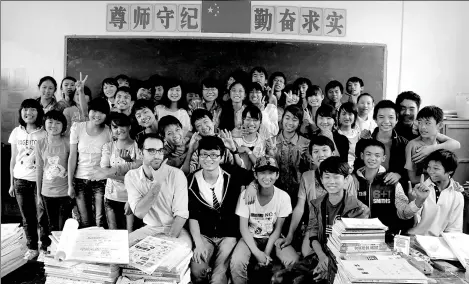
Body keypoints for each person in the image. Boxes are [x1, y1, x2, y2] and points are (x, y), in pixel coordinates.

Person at [188, 136, 254, 284]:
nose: (208, 159)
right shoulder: (191, 180)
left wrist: (252, 186)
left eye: (214, 155)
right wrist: (198, 242)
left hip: (229, 235)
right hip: (204, 235)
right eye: (204, 154)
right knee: (197, 271)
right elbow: (192, 215)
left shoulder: (232, 173)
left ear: (221, 156)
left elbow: (255, 176)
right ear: (198, 155)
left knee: (218, 278)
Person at [282, 136, 361, 257]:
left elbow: (352, 209)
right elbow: (299, 208)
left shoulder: (347, 178)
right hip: (315, 226)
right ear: (311, 156)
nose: (321, 155)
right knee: (307, 252)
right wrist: (290, 234)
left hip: (338, 227)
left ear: (333, 153)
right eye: (316, 151)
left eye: (325, 150)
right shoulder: (307, 177)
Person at [230, 156, 299, 284]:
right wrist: (257, 253)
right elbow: (243, 228)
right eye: (262, 172)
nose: (267, 177)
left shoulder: (283, 197)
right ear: (255, 175)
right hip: (250, 237)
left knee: (293, 260)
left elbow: (278, 229)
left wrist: (266, 253)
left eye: (271, 173)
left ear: (277, 175)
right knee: (237, 262)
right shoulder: (247, 195)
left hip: (272, 237)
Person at [307, 156, 369, 281]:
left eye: (336, 177)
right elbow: (313, 234)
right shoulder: (315, 204)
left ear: (346, 180)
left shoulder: (359, 209)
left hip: (345, 261)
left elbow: (353, 246)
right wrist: (322, 257)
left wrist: (330, 267)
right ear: (321, 180)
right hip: (320, 256)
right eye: (327, 177)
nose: (331, 181)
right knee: (282, 278)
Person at [125, 133, 192, 248]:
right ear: (141, 153)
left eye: (160, 150)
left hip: (176, 230)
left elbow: (181, 216)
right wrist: (157, 183)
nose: (157, 156)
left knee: (175, 254)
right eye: (151, 151)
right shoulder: (132, 176)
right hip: (150, 228)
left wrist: (166, 242)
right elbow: (139, 213)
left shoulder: (176, 174)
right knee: (120, 251)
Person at [352, 139, 414, 241]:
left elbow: (404, 213)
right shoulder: (352, 181)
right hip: (358, 236)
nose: (372, 158)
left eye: (377, 155)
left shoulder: (392, 182)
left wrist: (416, 202)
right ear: (362, 156)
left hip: (386, 237)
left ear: (383, 158)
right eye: (368, 154)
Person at [8, 99, 47, 260]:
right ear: (21, 112)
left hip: (41, 181)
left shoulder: (45, 132)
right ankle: (32, 247)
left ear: (38, 112)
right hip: (20, 180)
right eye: (25, 109)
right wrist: (11, 184)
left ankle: (45, 247)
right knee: (27, 217)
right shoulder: (16, 132)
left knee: (43, 216)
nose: (28, 113)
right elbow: (13, 159)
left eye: (32, 109)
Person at [68, 97, 112, 228]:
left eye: (102, 112)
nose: (97, 115)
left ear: (106, 115)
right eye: (94, 111)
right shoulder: (78, 128)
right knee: (85, 221)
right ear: (89, 111)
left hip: (101, 181)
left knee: (100, 220)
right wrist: (70, 184)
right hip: (80, 180)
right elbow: (72, 157)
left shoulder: (109, 131)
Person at [400, 150, 464, 236]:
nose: (430, 171)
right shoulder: (420, 189)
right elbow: (408, 219)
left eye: (436, 168)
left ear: (450, 171)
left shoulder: (457, 195)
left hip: (440, 244)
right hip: (415, 240)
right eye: (429, 167)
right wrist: (416, 201)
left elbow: (454, 229)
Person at [100, 113, 141, 231]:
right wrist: (130, 170)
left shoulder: (137, 146)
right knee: (114, 234)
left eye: (122, 126)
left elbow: (141, 173)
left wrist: (130, 161)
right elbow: (104, 171)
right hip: (111, 196)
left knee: (131, 234)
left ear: (129, 127)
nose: (119, 130)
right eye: (115, 127)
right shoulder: (108, 147)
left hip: (132, 198)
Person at [354, 100, 408, 186]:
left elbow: (407, 169)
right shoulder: (364, 142)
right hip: (367, 187)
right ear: (375, 119)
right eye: (381, 117)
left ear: (397, 120)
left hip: (392, 189)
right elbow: (357, 165)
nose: (386, 121)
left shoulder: (404, 144)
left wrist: (398, 175)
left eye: (391, 117)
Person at [35, 110, 71, 239]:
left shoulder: (67, 142)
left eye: (58, 123)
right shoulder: (40, 143)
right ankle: (47, 250)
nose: (53, 126)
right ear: (44, 124)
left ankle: (62, 252)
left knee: (63, 226)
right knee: (49, 225)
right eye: (50, 122)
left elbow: (73, 166)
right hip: (46, 193)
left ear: (63, 126)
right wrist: (38, 194)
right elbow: (39, 169)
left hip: (65, 192)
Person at [405, 106, 460, 185]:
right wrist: (441, 179)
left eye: (427, 123)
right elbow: (413, 179)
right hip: (423, 188)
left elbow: (457, 144)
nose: (422, 127)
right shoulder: (413, 145)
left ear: (440, 125)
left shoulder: (441, 141)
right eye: (420, 122)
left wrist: (431, 149)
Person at [185, 109, 242, 174]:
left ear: (213, 121)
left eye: (205, 122)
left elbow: (239, 167)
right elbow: (186, 172)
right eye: (198, 126)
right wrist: (190, 151)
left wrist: (233, 149)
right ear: (196, 130)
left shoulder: (226, 141)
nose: (203, 127)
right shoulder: (196, 145)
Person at [232, 105, 269, 170]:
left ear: (260, 122)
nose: (251, 123)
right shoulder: (235, 140)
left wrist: (248, 150)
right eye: (248, 119)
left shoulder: (263, 142)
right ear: (243, 121)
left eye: (255, 120)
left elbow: (261, 167)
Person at [337, 102, 361, 169]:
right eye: (344, 114)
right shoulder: (335, 135)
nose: (347, 117)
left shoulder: (358, 134)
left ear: (355, 117)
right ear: (339, 116)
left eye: (350, 114)